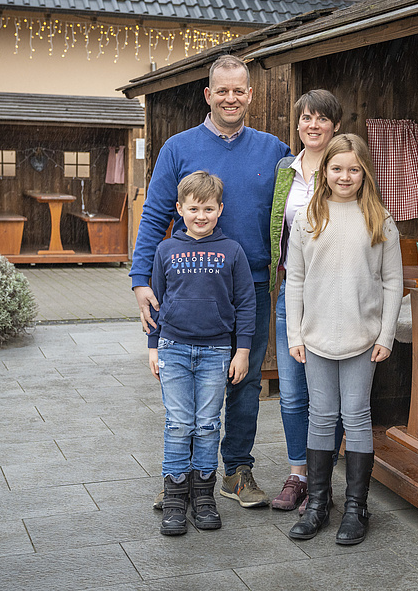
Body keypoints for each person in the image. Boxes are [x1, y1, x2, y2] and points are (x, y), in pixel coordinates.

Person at [131, 55, 290, 509]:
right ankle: (179, 477)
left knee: (245, 380)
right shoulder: (178, 148)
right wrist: (140, 278)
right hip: (187, 288)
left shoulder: (274, 151)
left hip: (251, 288)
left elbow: (295, 213)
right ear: (208, 94)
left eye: (239, 90)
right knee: (184, 386)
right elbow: (155, 215)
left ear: (250, 95)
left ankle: (236, 471)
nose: (230, 98)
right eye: (222, 90)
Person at [285, 134, 403, 545]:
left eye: (354, 169)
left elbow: (392, 282)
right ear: (325, 171)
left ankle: (356, 507)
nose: (345, 176)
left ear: (365, 172)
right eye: (337, 168)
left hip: (363, 336)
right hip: (315, 336)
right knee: (320, 415)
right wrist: (295, 333)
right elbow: (295, 279)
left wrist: (386, 334)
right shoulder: (308, 217)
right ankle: (317, 504)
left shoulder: (380, 220)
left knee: (356, 416)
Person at [148, 171, 256, 536]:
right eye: (193, 208)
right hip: (173, 348)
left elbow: (246, 304)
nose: (201, 216)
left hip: (216, 351)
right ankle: (175, 498)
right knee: (178, 424)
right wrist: (153, 346)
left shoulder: (232, 251)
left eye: (208, 209)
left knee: (208, 424)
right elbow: (156, 302)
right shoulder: (165, 250)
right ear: (180, 209)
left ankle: (204, 496)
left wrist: (242, 351)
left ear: (220, 209)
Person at [269, 90, 346, 513]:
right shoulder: (286, 168)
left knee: (327, 396)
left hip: (335, 294)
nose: (312, 125)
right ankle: (298, 475)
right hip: (292, 292)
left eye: (321, 119)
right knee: (293, 393)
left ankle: (322, 482)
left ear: (335, 125)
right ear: (297, 124)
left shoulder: (344, 167)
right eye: (306, 118)